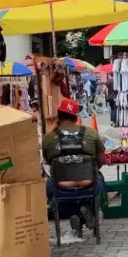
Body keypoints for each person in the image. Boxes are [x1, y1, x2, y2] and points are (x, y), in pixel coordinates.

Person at [42, 98, 106, 235]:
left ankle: (74, 213)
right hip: (89, 185)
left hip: (61, 188)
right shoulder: (91, 133)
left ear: (59, 116)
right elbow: (101, 160)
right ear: (76, 117)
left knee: (49, 189)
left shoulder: (48, 138)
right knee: (100, 181)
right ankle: (86, 211)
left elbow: (49, 162)